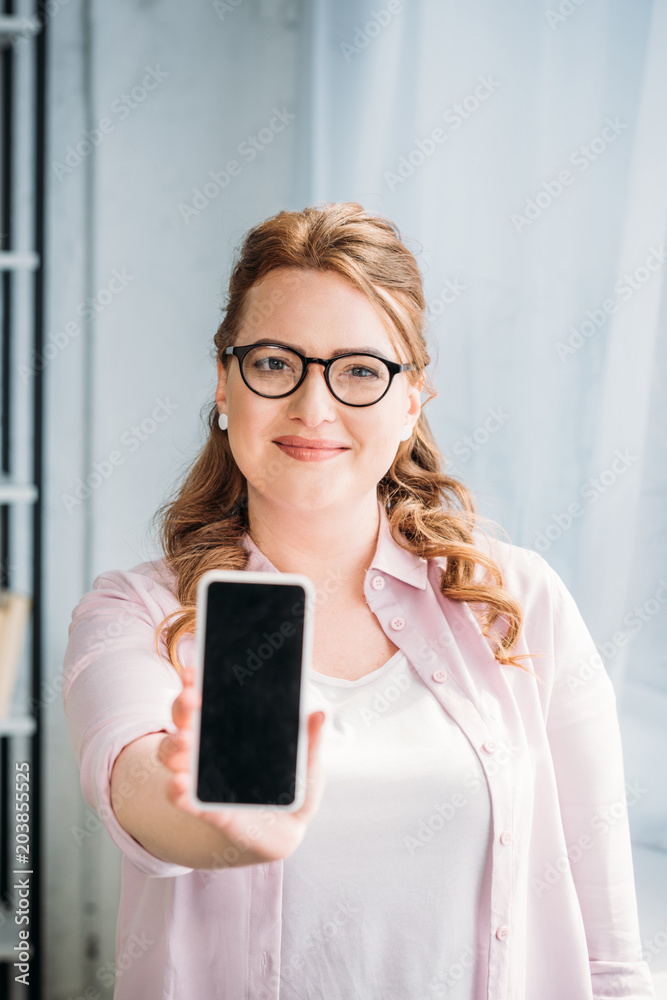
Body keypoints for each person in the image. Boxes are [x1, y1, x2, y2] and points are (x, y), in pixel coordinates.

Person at [62, 201, 655, 1000]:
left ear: (410, 402)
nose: (314, 407)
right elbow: (133, 790)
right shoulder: (135, 614)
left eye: (359, 371)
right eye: (274, 362)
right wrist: (210, 823)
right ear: (224, 385)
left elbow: (611, 958)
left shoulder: (517, 605)